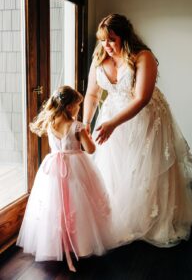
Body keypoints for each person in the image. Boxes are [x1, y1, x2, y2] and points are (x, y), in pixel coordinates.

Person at [83, 13, 192, 247]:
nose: (106, 45)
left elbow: (142, 98)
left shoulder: (143, 57)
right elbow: (93, 95)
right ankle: (118, 216)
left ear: (125, 37)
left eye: (112, 40)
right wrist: (86, 122)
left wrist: (114, 123)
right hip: (110, 116)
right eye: (103, 39)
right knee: (115, 166)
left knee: (147, 166)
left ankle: (152, 218)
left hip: (145, 117)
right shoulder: (99, 57)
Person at [17, 85, 118, 272]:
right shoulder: (76, 126)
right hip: (76, 167)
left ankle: (55, 243)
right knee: (79, 203)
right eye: (78, 105)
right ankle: (80, 243)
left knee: (54, 205)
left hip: (53, 167)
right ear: (70, 107)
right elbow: (91, 149)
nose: (79, 109)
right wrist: (86, 135)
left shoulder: (50, 124)